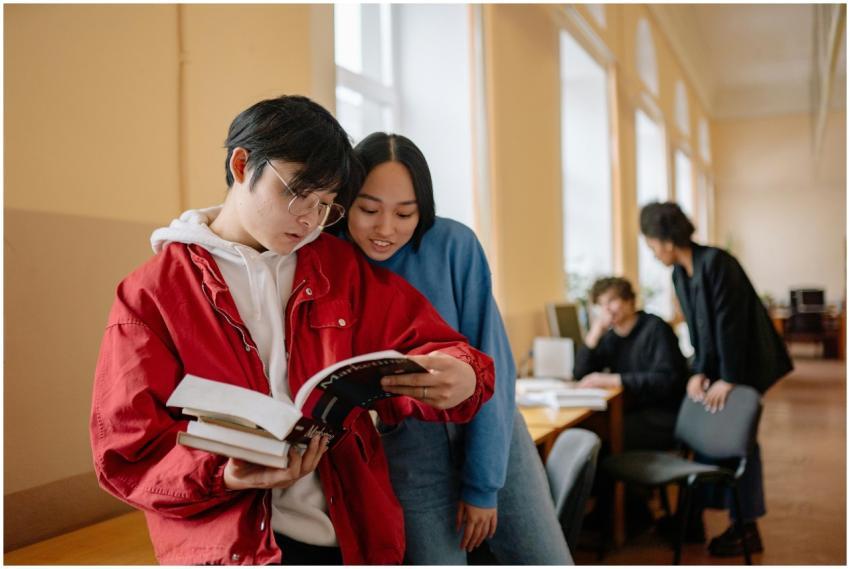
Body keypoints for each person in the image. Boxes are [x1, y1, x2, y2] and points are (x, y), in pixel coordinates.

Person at [89, 96, 495, 565]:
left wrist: (463, 373)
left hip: (352, 539)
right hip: (232, 549)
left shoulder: (336, 268)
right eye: (298, 194)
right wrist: (225, 474)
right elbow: (127, 452)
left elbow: (432, 341)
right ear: (242, 165)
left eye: (326, 207)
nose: (309, 220)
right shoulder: (152, 294)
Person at [334, 132, 572, 564]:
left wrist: (483, 484)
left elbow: (494, 363)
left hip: (493, 432)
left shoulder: (454, 245)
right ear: (345, 199)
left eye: (405, 213)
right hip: (407, 447)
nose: (386, 229)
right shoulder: (332, 263)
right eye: (368, 210)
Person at [639, 201, 793, 557]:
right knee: (709, 434)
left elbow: (730, 326)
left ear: (665, 240)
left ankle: (746, 528)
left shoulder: (717, 263)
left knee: (738, 439)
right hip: (723, 366)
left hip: (746, 365)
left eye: (650, 244)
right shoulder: (680, 274)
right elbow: (700, 331)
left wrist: (729, 378)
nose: (652, 253)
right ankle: (695, 518)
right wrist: (700, 373)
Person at [575, 276, 688, 452]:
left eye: (612, 300)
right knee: (584, 432)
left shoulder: (656, 328)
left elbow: (668, 380)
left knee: (602, 439)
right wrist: (594, 334)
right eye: (601, 305)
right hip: (630, 411)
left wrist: (615, 380)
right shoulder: (611, 337)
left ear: (630, 300)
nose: (607, 310)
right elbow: (580, 373)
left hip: (662, 414)